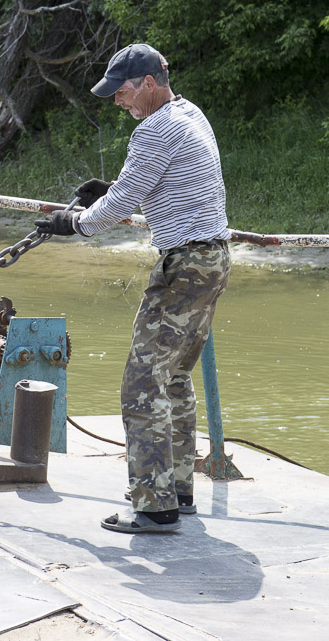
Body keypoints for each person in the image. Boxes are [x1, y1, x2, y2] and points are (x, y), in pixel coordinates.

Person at [34, 43, 231, 534]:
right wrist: (110, 194)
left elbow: (125, 199)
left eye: (121, 91)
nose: (116, 101)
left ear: (147, 83)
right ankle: (177, 489)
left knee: (141, 386)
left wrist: (74, 223)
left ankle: (154, 507)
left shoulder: (154, 129)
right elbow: (162, 185)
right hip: (213, 260)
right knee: (175, 377)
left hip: (184, 266)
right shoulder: (190, 114)